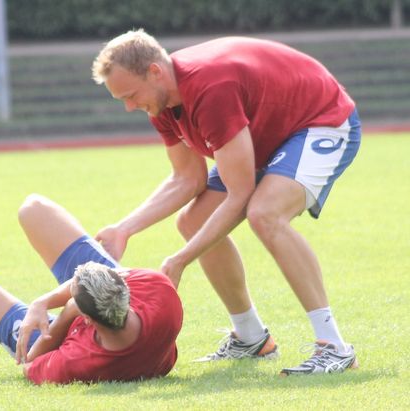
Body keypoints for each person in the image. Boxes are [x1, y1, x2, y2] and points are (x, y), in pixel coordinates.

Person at [91, 29, 361, 375]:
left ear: (155, 71)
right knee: (191, 221)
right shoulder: (160, 100)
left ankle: (335, 347)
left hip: (320, 121)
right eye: (122, 100)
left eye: (131, 95)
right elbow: (187, 179)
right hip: (267, 136)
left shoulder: (209, 88)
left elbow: (240, 195)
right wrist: (124, 229)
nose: (130, 107)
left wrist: (180, 260)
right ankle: (251, 338)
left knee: (265, 214)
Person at [0, 194, 183, 384]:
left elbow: (30, 365)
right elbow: (108, 282)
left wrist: (64, 317)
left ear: (84, 319)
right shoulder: (161, 293)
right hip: (113, 321)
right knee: (34, 209)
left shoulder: (78, 361)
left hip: (60, 339)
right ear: (124, 288)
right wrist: (43, 301)